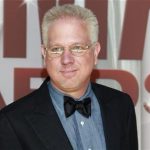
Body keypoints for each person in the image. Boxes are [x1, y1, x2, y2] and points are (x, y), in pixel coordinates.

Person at [0, 4, 138, 150]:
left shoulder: (121, 106)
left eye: (77, 47)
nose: (66, 59)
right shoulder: (12, 122)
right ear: (44, 54)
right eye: (56, 49)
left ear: (95, 52)